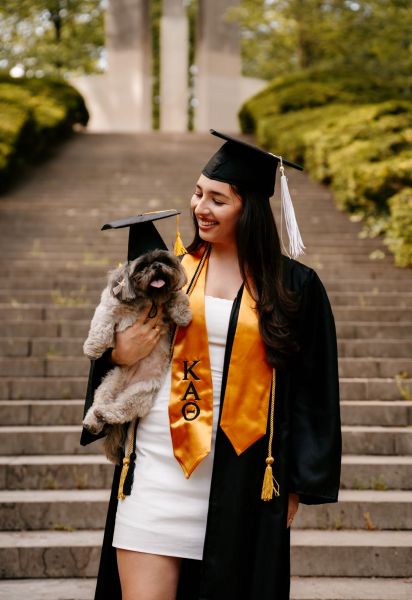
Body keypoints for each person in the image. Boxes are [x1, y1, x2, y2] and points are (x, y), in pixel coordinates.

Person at [80, 130, 342, 600]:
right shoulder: (169, 271)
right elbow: (110, 343)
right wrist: (118, 354)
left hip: (243, 472)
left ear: (250, 209)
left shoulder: (293, 286)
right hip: (158, 461)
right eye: (198, 193)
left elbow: (312, 390)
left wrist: (297, 482)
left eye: (218, 199)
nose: (201, 207)